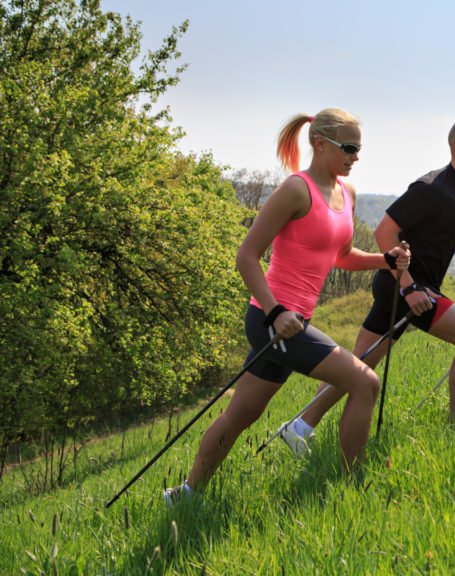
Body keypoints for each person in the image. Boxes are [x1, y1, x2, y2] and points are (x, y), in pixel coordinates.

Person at [163, 108, 411, 504]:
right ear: (319, 143)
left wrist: (386, 259)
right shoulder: (296, 190)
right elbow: (247, 255)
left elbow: (343, 255)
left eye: (359, 149)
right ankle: (352, 488)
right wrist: (276, 312)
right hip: (271, 319)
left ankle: (186, 494)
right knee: (365, 382)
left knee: (242, 414)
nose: (355, 156)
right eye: (348, 148)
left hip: (296, 322)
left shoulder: (346, 193)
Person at [275, 118, 455, 456]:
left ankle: (300, 427)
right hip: (405, 289)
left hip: (411, 288)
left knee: (361, 364)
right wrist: (408, 286)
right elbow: (385, 232)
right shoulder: (431, 188)